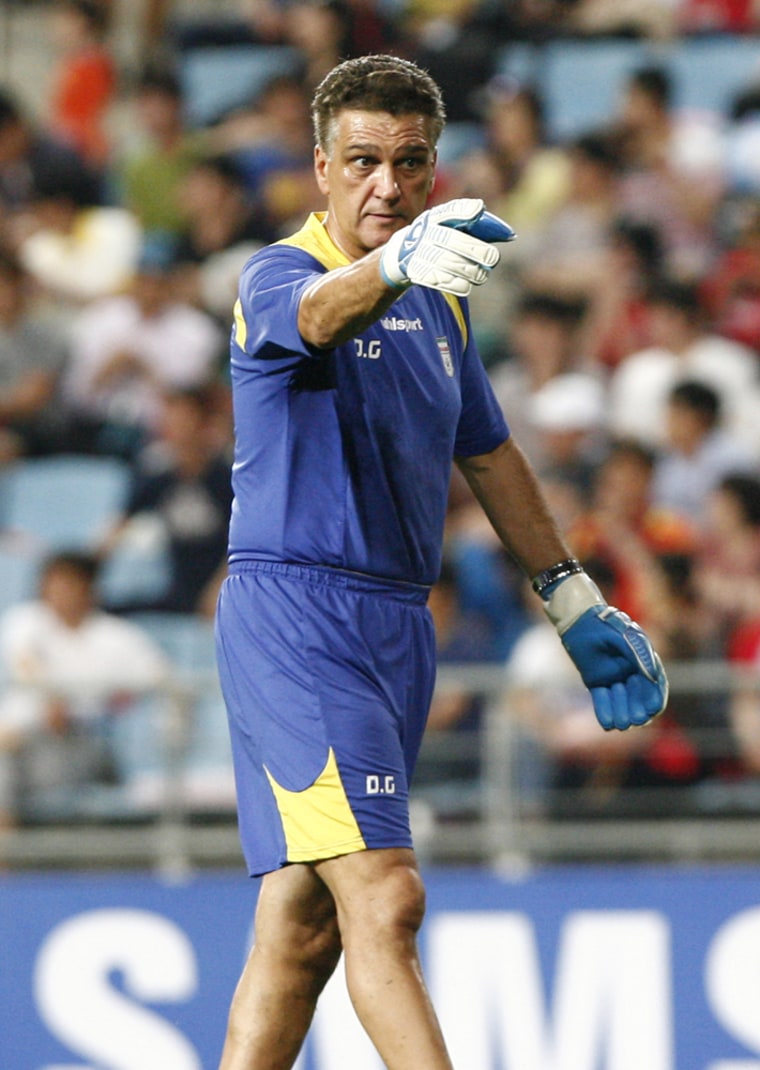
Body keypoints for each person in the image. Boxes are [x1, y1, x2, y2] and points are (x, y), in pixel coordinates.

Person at [214, 54, 668, 1070]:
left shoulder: (442, 302)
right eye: (364, 161)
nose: (386, 183)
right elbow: (323, 316)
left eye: (409, 163)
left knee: (302, 924)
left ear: (433, 168)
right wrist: (395, 263)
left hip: (394, 622)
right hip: (298, 619)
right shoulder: (278, 275)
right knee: (386, 891)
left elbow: (489, 450)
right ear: (321, 166)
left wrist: (570, 597)